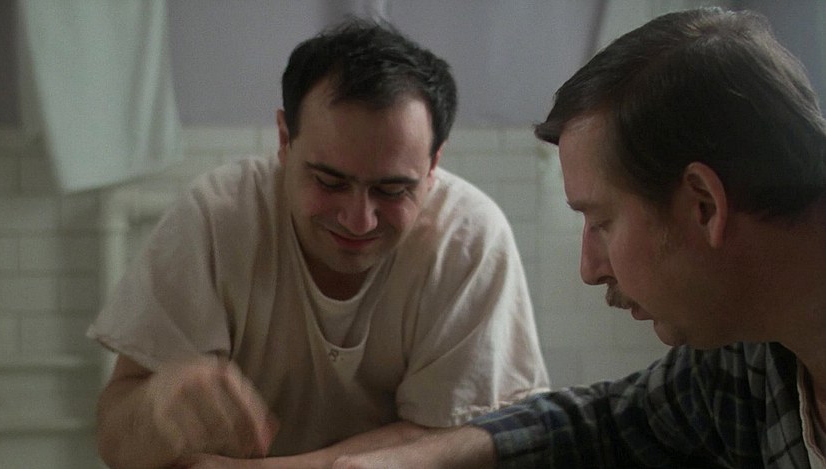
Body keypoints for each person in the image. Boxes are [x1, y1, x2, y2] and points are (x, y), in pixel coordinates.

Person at [332, 7, 826, 469]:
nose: (590, 269)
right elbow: (609, 422)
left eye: (601, 222)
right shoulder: (743, 352)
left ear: (705, 205)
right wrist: (412, 460)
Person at [87, 18, 549, 469]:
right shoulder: (216, 219)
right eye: (329, 181)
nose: (358, 219)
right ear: (284, 140)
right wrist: (155, 410)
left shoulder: (468, 240)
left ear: (433, 167)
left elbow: (457, 442)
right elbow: (115, 441)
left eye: (392, 190)